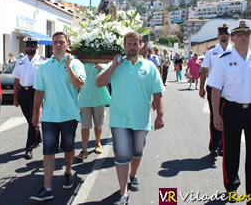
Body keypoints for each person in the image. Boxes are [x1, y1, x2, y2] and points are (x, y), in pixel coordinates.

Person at [208, 21, 251, 205]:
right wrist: (216, 114)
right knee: (231, 152)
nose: (243, 37)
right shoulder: (223, 60)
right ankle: (232, 188)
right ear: (232, 38)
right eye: (239, 34)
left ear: (250, 37)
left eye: (246, 34)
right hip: (231, 110)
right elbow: (215, 89)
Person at [96, 31, 165, 205]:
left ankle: (133, 175)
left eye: (136, 44)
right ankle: (123, 193)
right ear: (124, 45)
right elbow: (99, 82)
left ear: (141, 45)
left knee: (137, 152)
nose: (132, 47)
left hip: (141, 119)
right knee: (121, 156)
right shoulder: (117, 65)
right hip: (119, 119)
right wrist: (112, 67)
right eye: (129, 44)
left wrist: (160, 116)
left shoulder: (149, 67)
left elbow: (157, 92)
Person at [30, 32, 86, 202]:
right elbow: (39, 91)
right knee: (48, 151)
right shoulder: (44, 67)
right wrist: (35, 114)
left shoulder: (76, 64)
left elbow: (79, 85)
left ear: (68, 44)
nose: (58, 45)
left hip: (69, 115)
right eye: (55, 42)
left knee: (68, 148)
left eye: (62, 42)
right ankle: (47, 188)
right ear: (51, 45)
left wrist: (68, 67)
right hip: (49, 117)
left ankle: (68, 172)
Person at [199, 24, 232, 156]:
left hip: (229, 88)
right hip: (214, 89)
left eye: (226, 34)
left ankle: (224, 145)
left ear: (229, 36)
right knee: (215, 116)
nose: (224, 36)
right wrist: (201, 88)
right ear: (218, 36)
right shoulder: (211, 52)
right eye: (221, 34)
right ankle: (215, 143)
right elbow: (204, 70)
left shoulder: (234, 51)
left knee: (228, 117)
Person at [12, 37, 45, 160]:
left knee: (32, 120)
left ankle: (29, 148)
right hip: (23, 93)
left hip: (36, 92)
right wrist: (15, 98)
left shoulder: (42, 61)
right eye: (27, 46)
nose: (29, 48)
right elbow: (16, 81)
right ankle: (38, 136)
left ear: (36, 47)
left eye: (31, 46)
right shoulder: (20, 61)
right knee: (29, 120)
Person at [76, 63, 111, 161]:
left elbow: (107, 76)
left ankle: (98, 142)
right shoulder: (80, 62)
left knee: (98, 124)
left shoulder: (102, 62)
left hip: (99, 98)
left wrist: (99, 66)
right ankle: (84, 150)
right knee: (85, 125)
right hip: (85, 98)